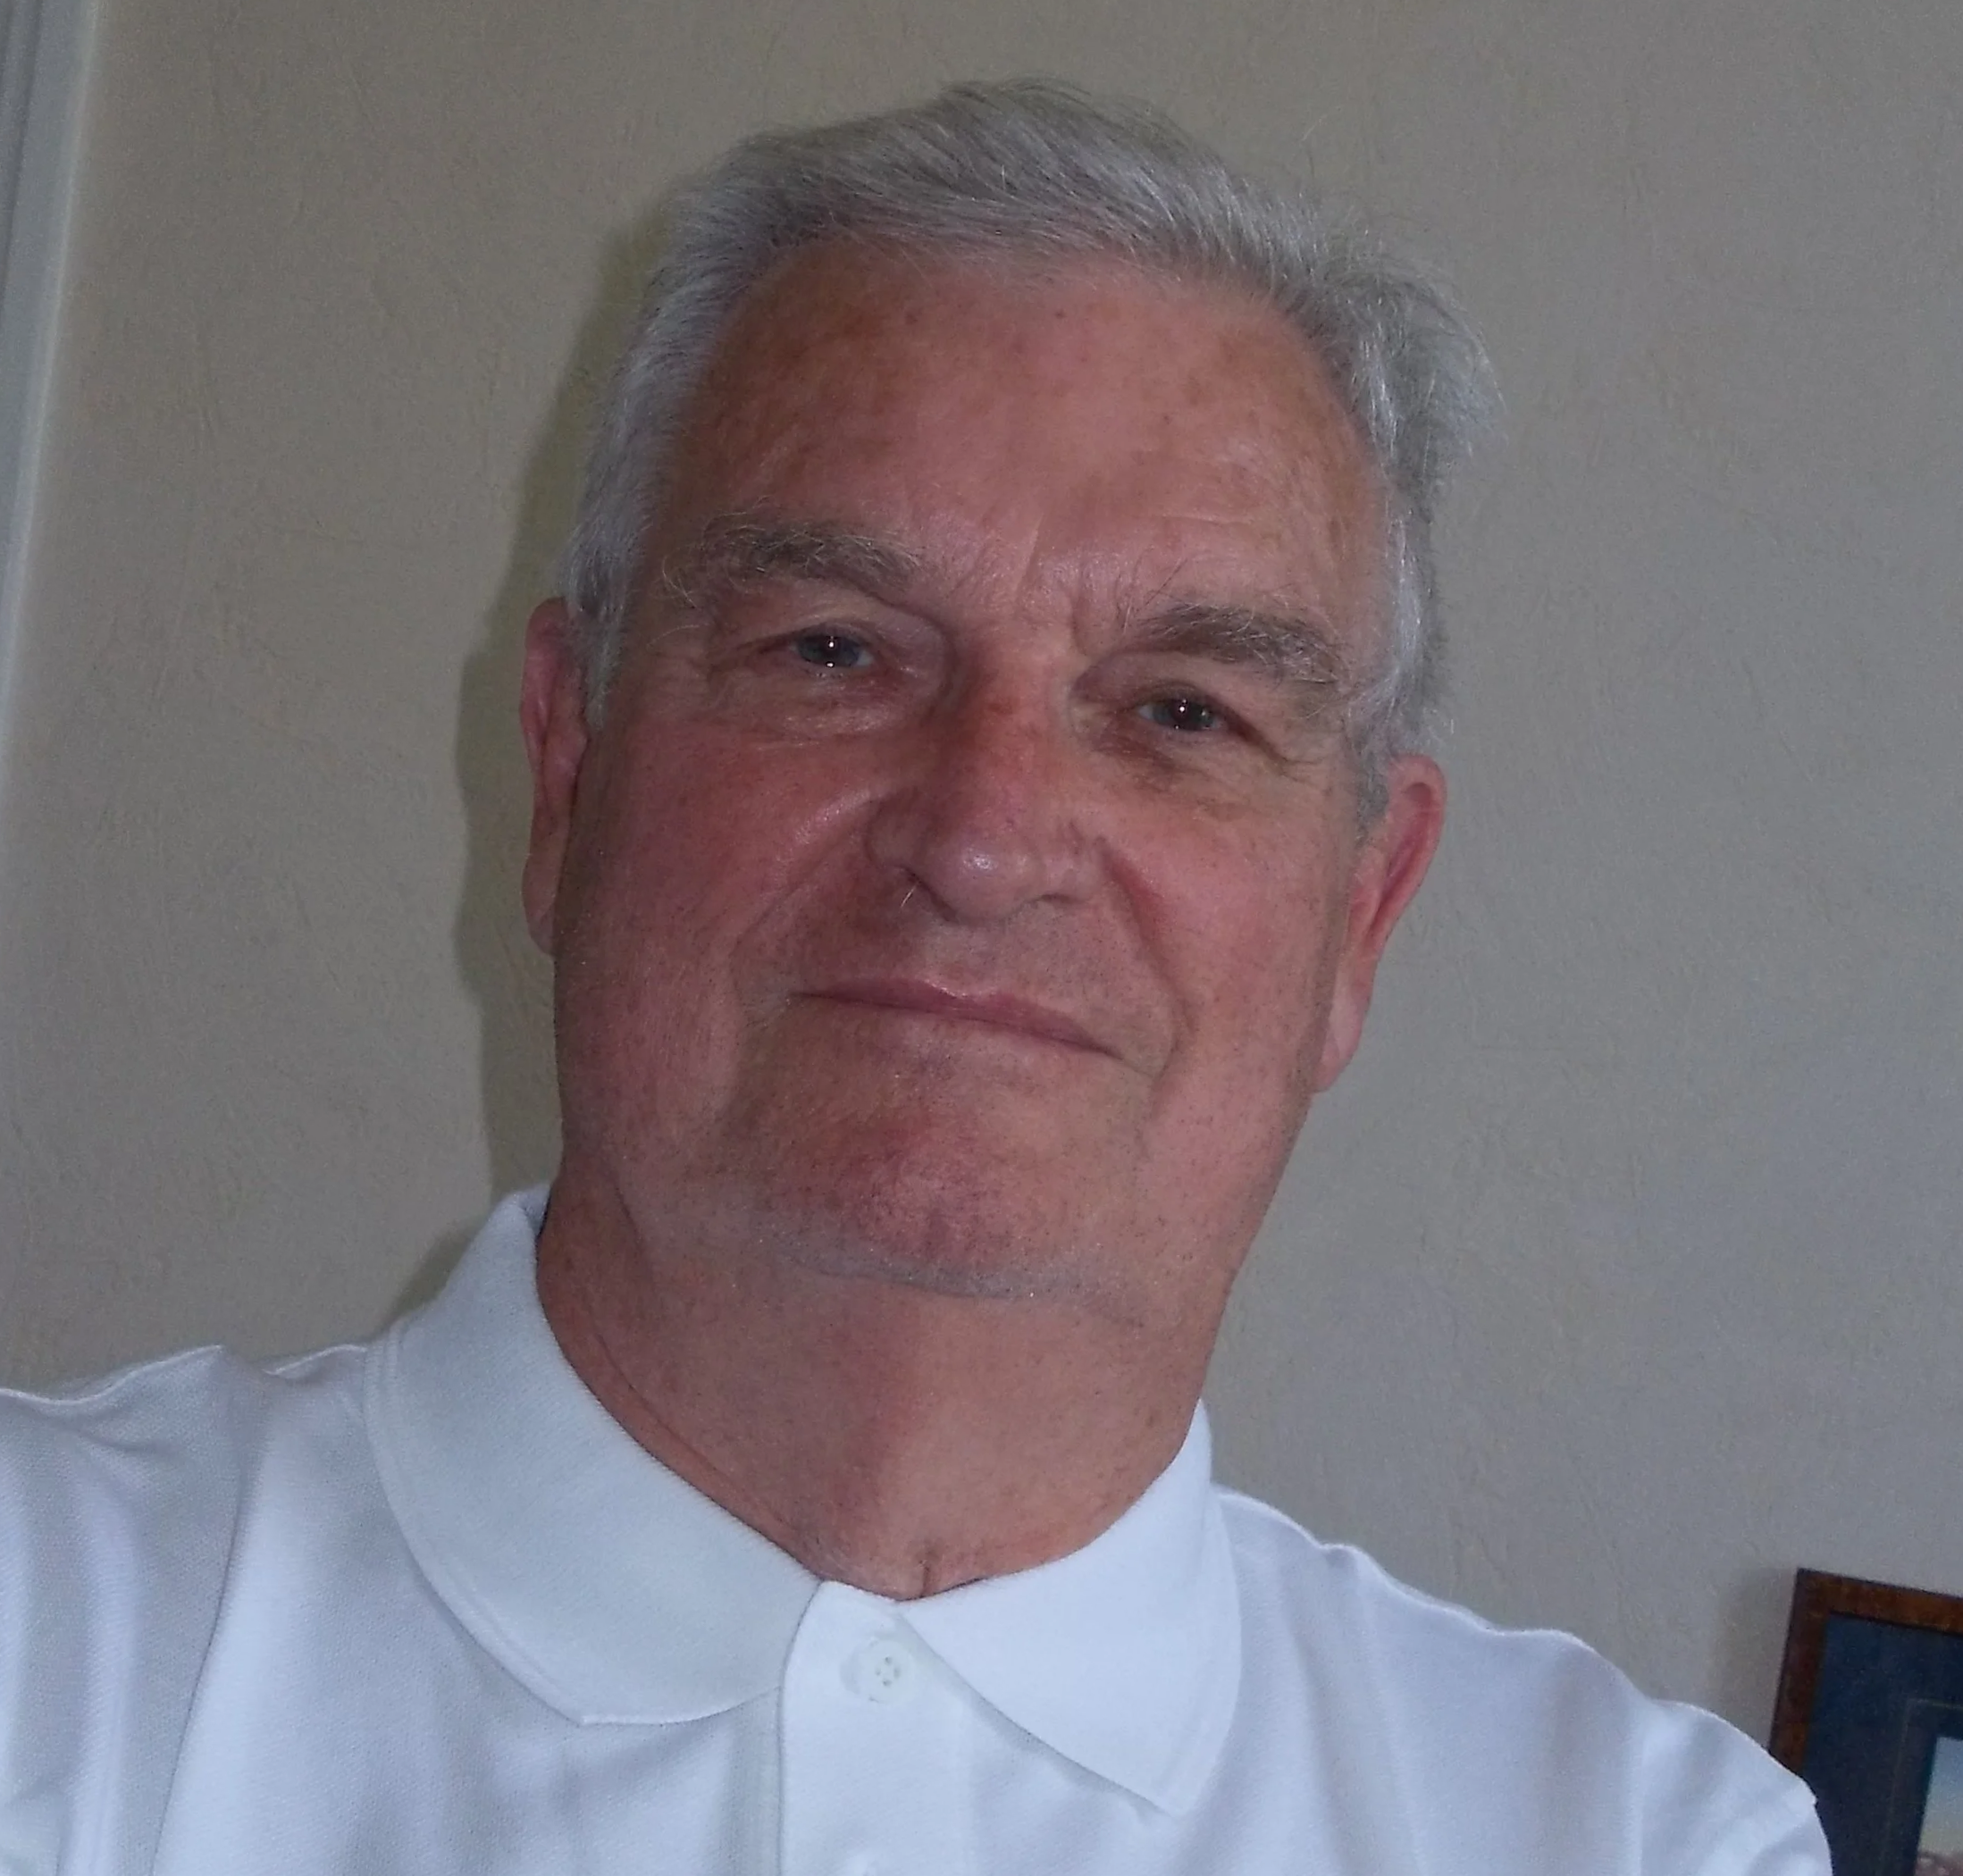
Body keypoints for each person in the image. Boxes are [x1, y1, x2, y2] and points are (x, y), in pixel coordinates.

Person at [0, 80, 1825, 1874]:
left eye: (1184, 712)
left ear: (1365, 910)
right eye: (834, 650)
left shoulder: (1639, 1841)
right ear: (568, 769)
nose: (984, 839)